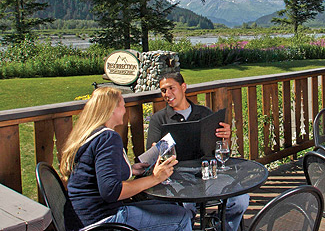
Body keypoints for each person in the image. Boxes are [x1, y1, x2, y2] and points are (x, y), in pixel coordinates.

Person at [60, 87, 192, 231]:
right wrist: (155, 178)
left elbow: (97, 173)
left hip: (81, 217)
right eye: (123, 105)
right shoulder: (108, 138)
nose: (124, 110)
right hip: (102, 221)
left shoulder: (89, 134)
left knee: (172, 207)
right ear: (111, 110)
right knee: (181, 216)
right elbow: (112, 191)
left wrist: (131, 170)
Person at [146, 72, 248, 231]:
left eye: (171, 88)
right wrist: (157, 149)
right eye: (163, 90)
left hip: (209, 172)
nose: (167, 94)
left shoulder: (204, 113)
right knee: (185, 207)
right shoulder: (159, 120)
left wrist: (225, 137)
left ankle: (220, 226)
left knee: (240, 200)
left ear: (183, 87)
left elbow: (220, 147)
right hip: (178, 176)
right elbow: (151, 155)